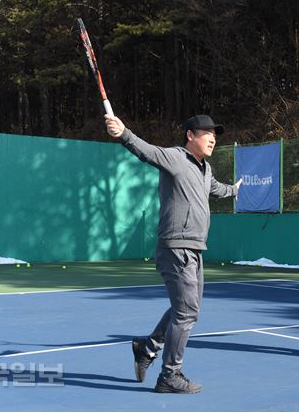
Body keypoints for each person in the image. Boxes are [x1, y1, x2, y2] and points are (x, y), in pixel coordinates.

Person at [105, 113, 242, 393]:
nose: (213, 138)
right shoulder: (176, 158)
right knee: (187, 311)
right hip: (175, 247)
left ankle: (146, 348)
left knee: (186, 308)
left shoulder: (205, 169)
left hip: (194, 249)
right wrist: (124, 133)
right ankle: (170, 374)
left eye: (215, 134)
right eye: (207, 133)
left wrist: (234, 190)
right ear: (190, 135)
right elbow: (148, 152)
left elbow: (215, 189)